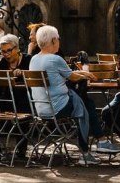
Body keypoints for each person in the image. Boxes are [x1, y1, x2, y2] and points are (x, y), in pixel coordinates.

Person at [30, 25, 101, 165]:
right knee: (83, 106)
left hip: (40, 108)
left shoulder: (34, 59)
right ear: (53, 40)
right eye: (58, 39)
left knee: (81, 100)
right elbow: (72, 77)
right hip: (58, 108)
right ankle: (85, 151)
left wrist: (84, 73)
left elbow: (69, 75)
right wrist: (86, 73)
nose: (59, 41)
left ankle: (94, 143)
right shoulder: (55, 59)